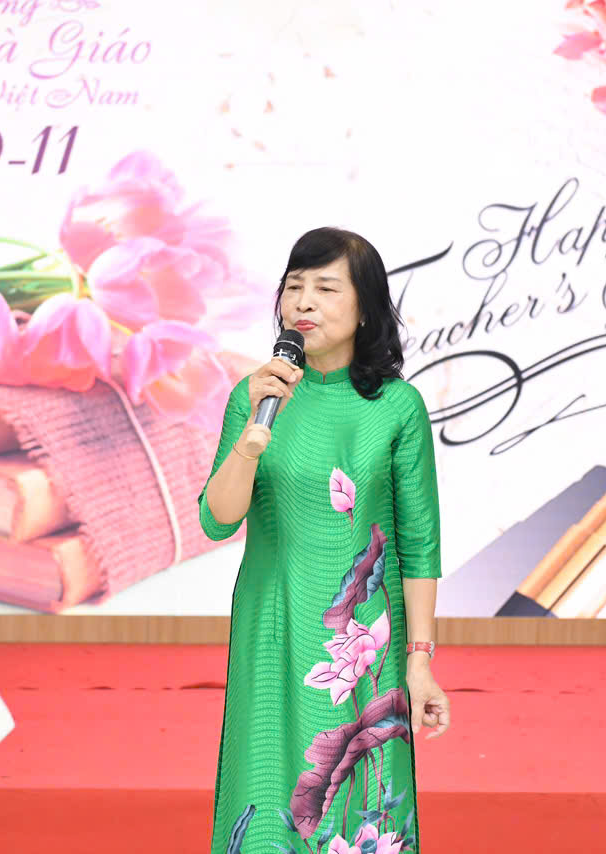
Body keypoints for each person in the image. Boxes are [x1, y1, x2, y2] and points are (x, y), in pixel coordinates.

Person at [198, 227, 450, 854]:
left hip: (360, 639)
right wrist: (250, 443)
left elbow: (419, 544)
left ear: (365, 308)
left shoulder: (397, 407)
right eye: (294, 287)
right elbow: (217, 519)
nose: (303, 302)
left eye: (325, 288)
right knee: (264, 777)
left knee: (357, 792)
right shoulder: (255, 395)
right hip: (272, 621)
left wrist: (419, 660)